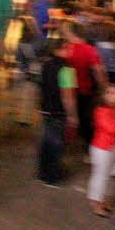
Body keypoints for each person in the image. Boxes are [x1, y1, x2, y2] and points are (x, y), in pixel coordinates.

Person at [37, 37, 78, 187]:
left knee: (46, 142)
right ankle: (52, 177)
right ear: (59, 49)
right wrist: (73, 115)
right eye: (67, 48)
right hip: (59, 112)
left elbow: (41, 87)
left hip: (46, 109)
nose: (71, 50)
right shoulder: (67, 70)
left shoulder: (46, 65)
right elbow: (68, 97)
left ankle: (42, 173)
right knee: (57, 144)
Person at [64, 20, 105, 150]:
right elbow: (98, 71)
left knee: (67, 116)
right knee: (85, 119)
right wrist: (104, 87)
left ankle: (66, 142)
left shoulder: (65, 49)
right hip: (84, 90)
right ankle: (89, 147)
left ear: (70, 32)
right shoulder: (89, 50)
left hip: (66, 89)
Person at [88, 83, 115, 217]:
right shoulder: (101, 111)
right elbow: (114, 129)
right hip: (102, 148)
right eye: (112, 93)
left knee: (104, 176)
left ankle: (98, 200)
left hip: (111, 147)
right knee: (100, 176)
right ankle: (96, 204)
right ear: (105, 95)